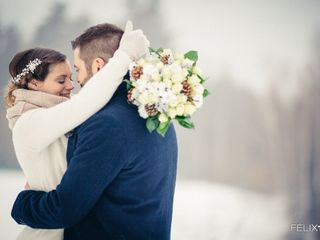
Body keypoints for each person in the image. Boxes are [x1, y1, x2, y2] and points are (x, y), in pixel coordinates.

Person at [10, 21, 178, 240]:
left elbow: (66, 207)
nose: (73, 85)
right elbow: (83, 103)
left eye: (75, 72)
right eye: (62, 79)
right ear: (33, 83)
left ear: (98, 66)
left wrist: (22, 204)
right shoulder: (156, 114)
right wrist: (126, 56)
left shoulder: (107, 123)